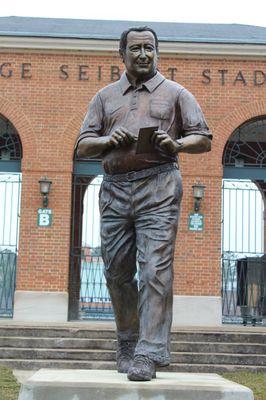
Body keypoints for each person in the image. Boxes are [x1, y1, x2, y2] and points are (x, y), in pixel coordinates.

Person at [77, 26, 212, 381]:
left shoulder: (176, 93)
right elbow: (82, 145)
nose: (143, 54)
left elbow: (203, 137)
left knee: (154, 269)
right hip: (115, 189)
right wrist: (107, 140)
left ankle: (149, 352)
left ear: (157, 53)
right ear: (121, 54)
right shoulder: (105, 97)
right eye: (135, 48)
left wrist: (178, 145)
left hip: (160, 185)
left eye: (149, 48)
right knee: (116, 271)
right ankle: (127, 339)